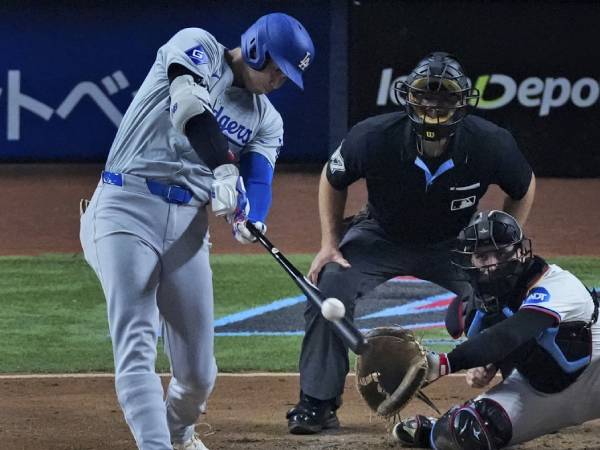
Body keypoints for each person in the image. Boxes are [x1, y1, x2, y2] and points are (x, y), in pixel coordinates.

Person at [79, 13, 314, 450]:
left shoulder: (267, 119)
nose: (279, 79)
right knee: (136, 339)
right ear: (257, 48)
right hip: (124, 208)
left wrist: (251, 217)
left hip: (187, 226)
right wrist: (224, 167)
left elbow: (259, 177)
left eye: (287, 75)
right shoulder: (198, 46)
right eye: (276, 67)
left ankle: (178, 435)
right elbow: (189, 105)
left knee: (199, 375)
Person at [286, 51, 536, 435]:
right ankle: (317, 402)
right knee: (329, 283)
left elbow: (524, 185)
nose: (434, 105)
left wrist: (505, 244)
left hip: (456, 242)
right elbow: (332, 178)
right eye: (426, 95)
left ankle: (521, 399)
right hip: (380, 235)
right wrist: (329, 243)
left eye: (445, 96)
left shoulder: (490, 143)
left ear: (462, 101)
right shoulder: (373, 136)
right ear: (409, 98)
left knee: (503, 289)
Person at [392, 210, 600, 449]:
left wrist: (443, 363)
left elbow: (512, 333)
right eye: (482, 256)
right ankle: (433, 427)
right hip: (539, 393)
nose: (491, 265)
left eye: (500, 253)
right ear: (470, 260)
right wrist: (489, 362)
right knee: (461, 433)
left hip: (596, 374)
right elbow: (502, 342)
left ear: (521, 253)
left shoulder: (558, 285)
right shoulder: (475, 307)